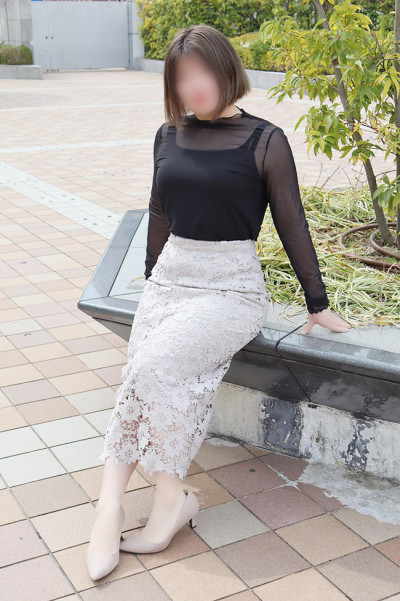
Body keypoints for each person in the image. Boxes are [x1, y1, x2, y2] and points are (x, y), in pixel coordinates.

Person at [86, 23, 351, 580]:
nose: (195, 85)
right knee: (139, 373)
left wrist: (317, 301)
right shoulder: (168, 135)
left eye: (203, 71)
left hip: (230, 288)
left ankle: (168, 502)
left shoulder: (264, 140)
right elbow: (159, 211)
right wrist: (151, 281)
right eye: (182, 76)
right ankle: (112, 508)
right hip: (170, 282)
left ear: (226, 68)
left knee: (153, 369)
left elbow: (292, 221)